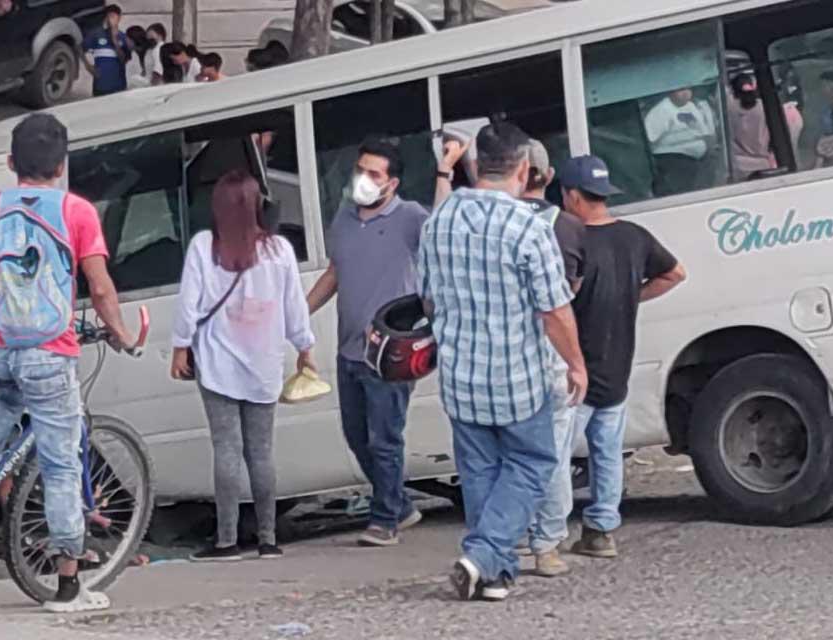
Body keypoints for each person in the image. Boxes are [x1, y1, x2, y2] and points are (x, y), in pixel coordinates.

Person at [0, 113, 137, 613]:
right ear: (61, 166)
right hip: (47, 351)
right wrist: (121, 334)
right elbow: (99, 287)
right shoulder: (77, 212)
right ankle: (67, 583)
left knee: (7, 395)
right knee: (62, 464)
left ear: (11, 162)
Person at [419, 122, 588, 602]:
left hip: (460, 377)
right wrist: (575, 363)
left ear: (473, 167)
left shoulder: (439, 223)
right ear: (523, 169)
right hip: (518, 378)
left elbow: (428, 300)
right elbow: (554, 310)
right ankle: (484, 554)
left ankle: (494, 576)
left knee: (480, 475)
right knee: (533, 463)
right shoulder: (529, 228)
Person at [171, 170, 317, 562]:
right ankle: (268, 539)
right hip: (264, 364)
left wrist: (180, 347)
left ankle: (227, 541)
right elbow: (294, 307)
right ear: (256, 206)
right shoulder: (279, 250)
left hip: (217, 363)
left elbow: (188, 303)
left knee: (227, 450)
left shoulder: (204, 246)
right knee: (262, 451)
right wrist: (305, 346)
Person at [555, 155, 686, 559]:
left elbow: (557, 305)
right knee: (607, 451)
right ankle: (600, 530)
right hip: (617, 364)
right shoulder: (634, 236)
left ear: (573, 196)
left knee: (555, 454)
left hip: (573, 368)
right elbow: (676, 273)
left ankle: (548, 534)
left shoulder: (569, 241)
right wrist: (633, 296)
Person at [307, 140, 429, 547]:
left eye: (374, 173)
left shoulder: (410, 217)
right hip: (349, 349)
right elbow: (335, 272)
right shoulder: (343, 219)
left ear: (392, 183)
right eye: (360, 169)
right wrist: (299, 311)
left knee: (385, 438)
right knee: (356, 435)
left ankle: (384, 521)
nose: (363, 179)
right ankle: (400, 505)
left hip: (390, 352)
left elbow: (441, 241)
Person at [518, 140, 587, 577]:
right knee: (556, 451)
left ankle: (515, 534)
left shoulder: (492, 225)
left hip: (509, 355)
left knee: (511, 453)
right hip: (554, 350)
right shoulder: (569, 227)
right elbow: (569, 296)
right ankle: (547, 545)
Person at [643, 87, 717, 196]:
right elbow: (649, 137)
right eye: (681, 90)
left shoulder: (691, 107)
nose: (685, 93)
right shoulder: (662, 109)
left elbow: (704, 132)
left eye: (688, 89)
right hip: (672, 161)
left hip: (696, 162)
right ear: (671, 91)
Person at [727, 73, 776, 181]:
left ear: (734, 91)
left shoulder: (729, 108)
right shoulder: (765, 106)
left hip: (738, 165)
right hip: (763, 164)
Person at [83, 4, 131, 97]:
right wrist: (88, 66)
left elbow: (124, 60)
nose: (111, 20)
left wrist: (114, 40)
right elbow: (80, 48)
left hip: (119, 86)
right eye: (109, 16)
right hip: (100, 86)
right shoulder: (96, 34)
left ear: (119, 18)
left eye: (113, 16)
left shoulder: (123, 37)